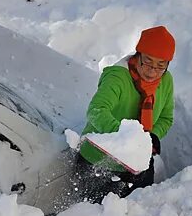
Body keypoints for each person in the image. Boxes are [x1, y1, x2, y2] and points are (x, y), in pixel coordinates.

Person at [72, 25, 176, 204]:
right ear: (138, 55)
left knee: (139, 213)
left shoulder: (166, 81)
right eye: (148, 62)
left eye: (160, 66)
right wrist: (128, 139)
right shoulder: (117, 78)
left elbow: (166, 118)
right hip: (99, 161)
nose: (153, 71)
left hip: (138, 162)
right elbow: (97, 110)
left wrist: (150, 137)